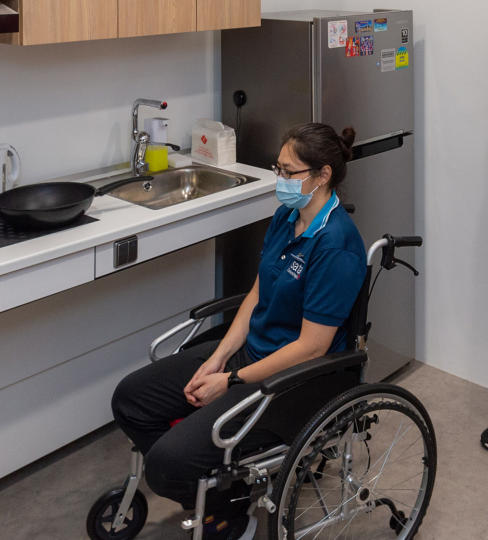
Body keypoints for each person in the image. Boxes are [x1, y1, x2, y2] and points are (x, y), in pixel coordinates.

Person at [111, 123, 366, 539]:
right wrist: (218, 357)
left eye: (289, 172)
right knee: (131, 399)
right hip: (253, 354)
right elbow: (258, 291)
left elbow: (313, 346)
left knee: (166, 465)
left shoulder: (336, 245)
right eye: (278, 169)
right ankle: (223, 492)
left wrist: (228, 381)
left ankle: (229, 511)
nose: (279, 180)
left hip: (292, 380)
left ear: (322, 176)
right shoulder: (288, 216)